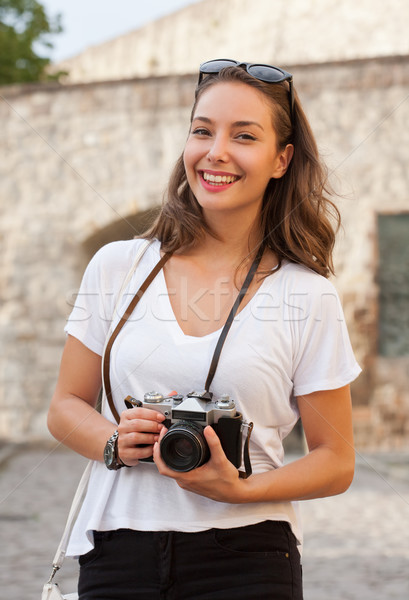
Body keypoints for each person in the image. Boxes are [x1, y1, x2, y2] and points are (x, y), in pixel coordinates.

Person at [48, 59, 361, 600]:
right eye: (202, 130)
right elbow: (65, 406)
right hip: (118, 547)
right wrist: (114, 441)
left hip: (249, 555)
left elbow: (336, 461)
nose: (215, 152)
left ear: (281, 159)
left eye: (244, 136)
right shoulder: (118, 266)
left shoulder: (306, 294)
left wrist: (240, 489)